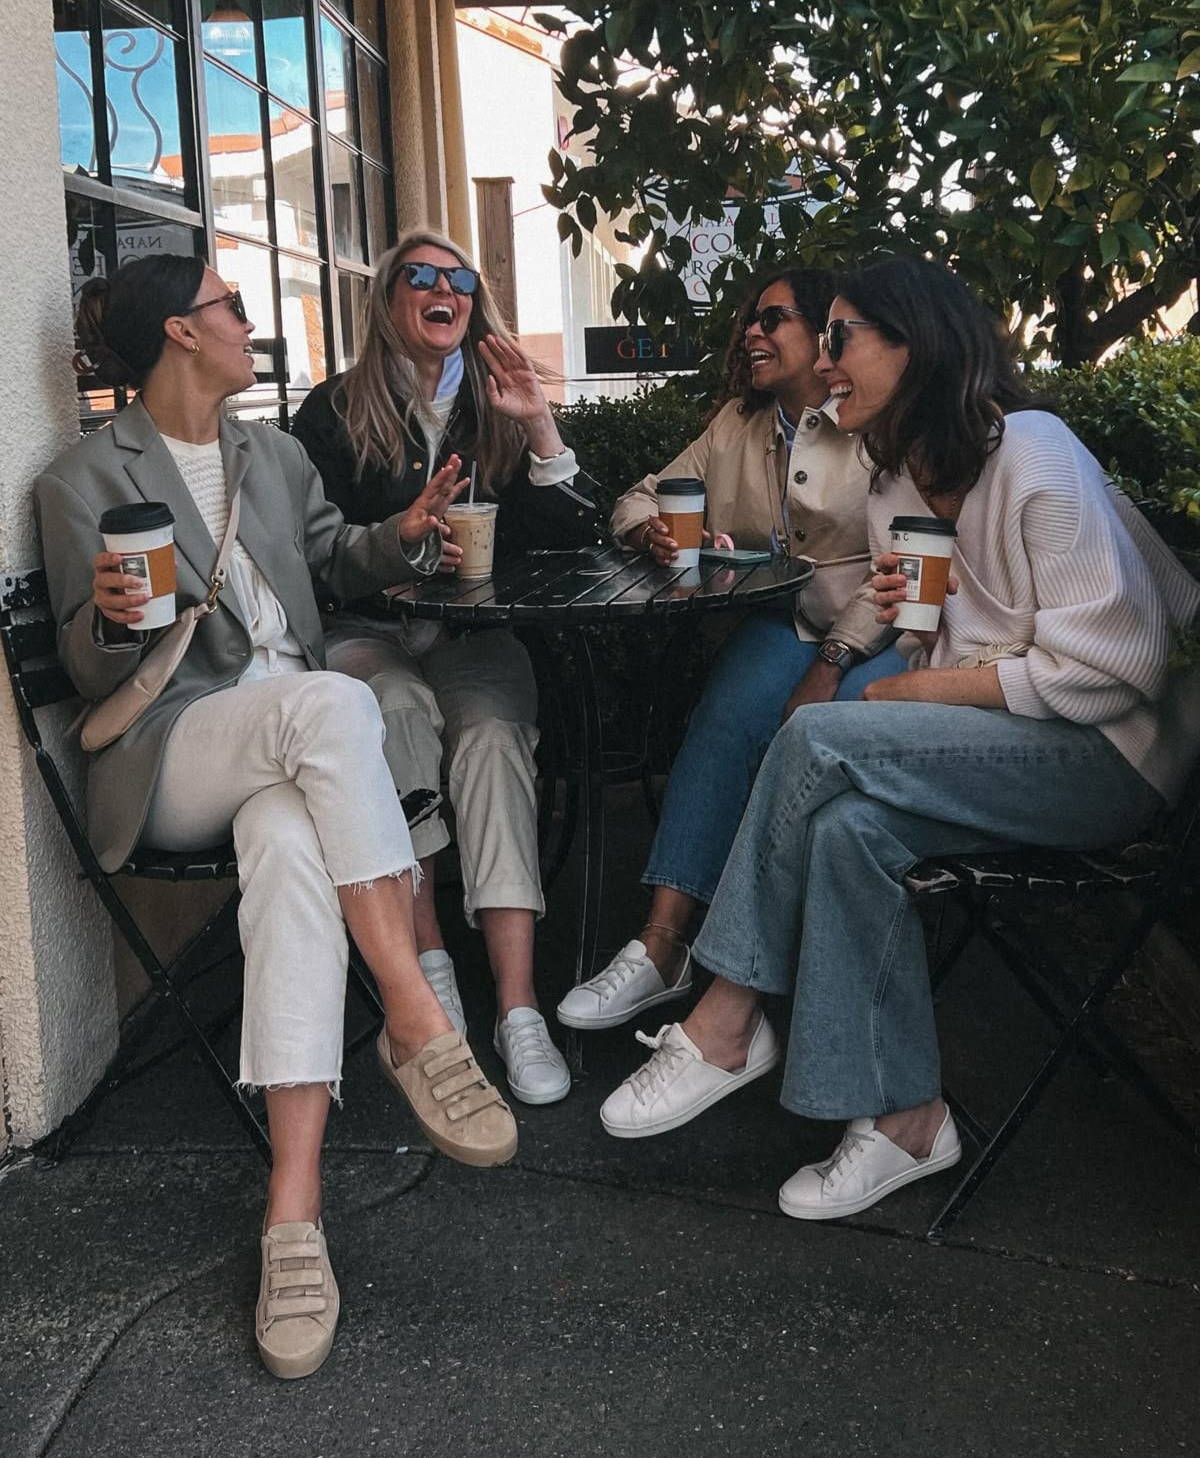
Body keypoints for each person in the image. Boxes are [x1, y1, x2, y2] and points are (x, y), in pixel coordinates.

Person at [598, 257, 1200, 1220]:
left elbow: (1111, 666)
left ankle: (727, 1014)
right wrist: (918, 623)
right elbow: (969, 629)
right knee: (847, 833)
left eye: (839, 337)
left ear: (912, 343)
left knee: (818, 736)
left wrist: (917, 681)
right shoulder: (894, 483)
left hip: (1109, 757)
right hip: (1013, 743)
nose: (824, 360)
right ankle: (908, 1117)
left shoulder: (1032, 450)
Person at [36, 255, 518, 1381]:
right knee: (335, 700)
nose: (250, 325)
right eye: (231, 308)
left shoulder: (275, 452)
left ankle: (291, 1214)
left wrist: (404, 529)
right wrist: (108, 619)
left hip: (299, 750)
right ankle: (412, 1010)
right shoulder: (78, 479)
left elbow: (331, 560)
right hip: (177, 743)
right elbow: (79, 660)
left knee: (296, 848)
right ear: (178, 333)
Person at [292, 230, 601, 1108]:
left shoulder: (495, 402)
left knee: (497, 733)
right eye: (418, 277)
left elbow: (571, 536)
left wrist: (539, 424)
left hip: (474, 631)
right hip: (371, 628)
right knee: (391, 713)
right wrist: (402, 534)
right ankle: (430, 978)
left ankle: (518, 1004)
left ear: (474, 299)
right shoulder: (333, 410)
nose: (442, 288)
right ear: (389, 300)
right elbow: (314, 558)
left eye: (457, 277)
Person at [557, 263, 907, 1035]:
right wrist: (648, 529)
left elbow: (904, 573)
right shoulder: (736, 427)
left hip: (878, 628)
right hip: (783, 625)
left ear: (824, 335)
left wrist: (834, 659)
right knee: (721, 723)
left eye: (772, 317)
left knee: (815, 742)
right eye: (749, 318)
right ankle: (663, 947)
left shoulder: (876, 420)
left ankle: (789, 974)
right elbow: (640, 493)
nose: (751, 330)